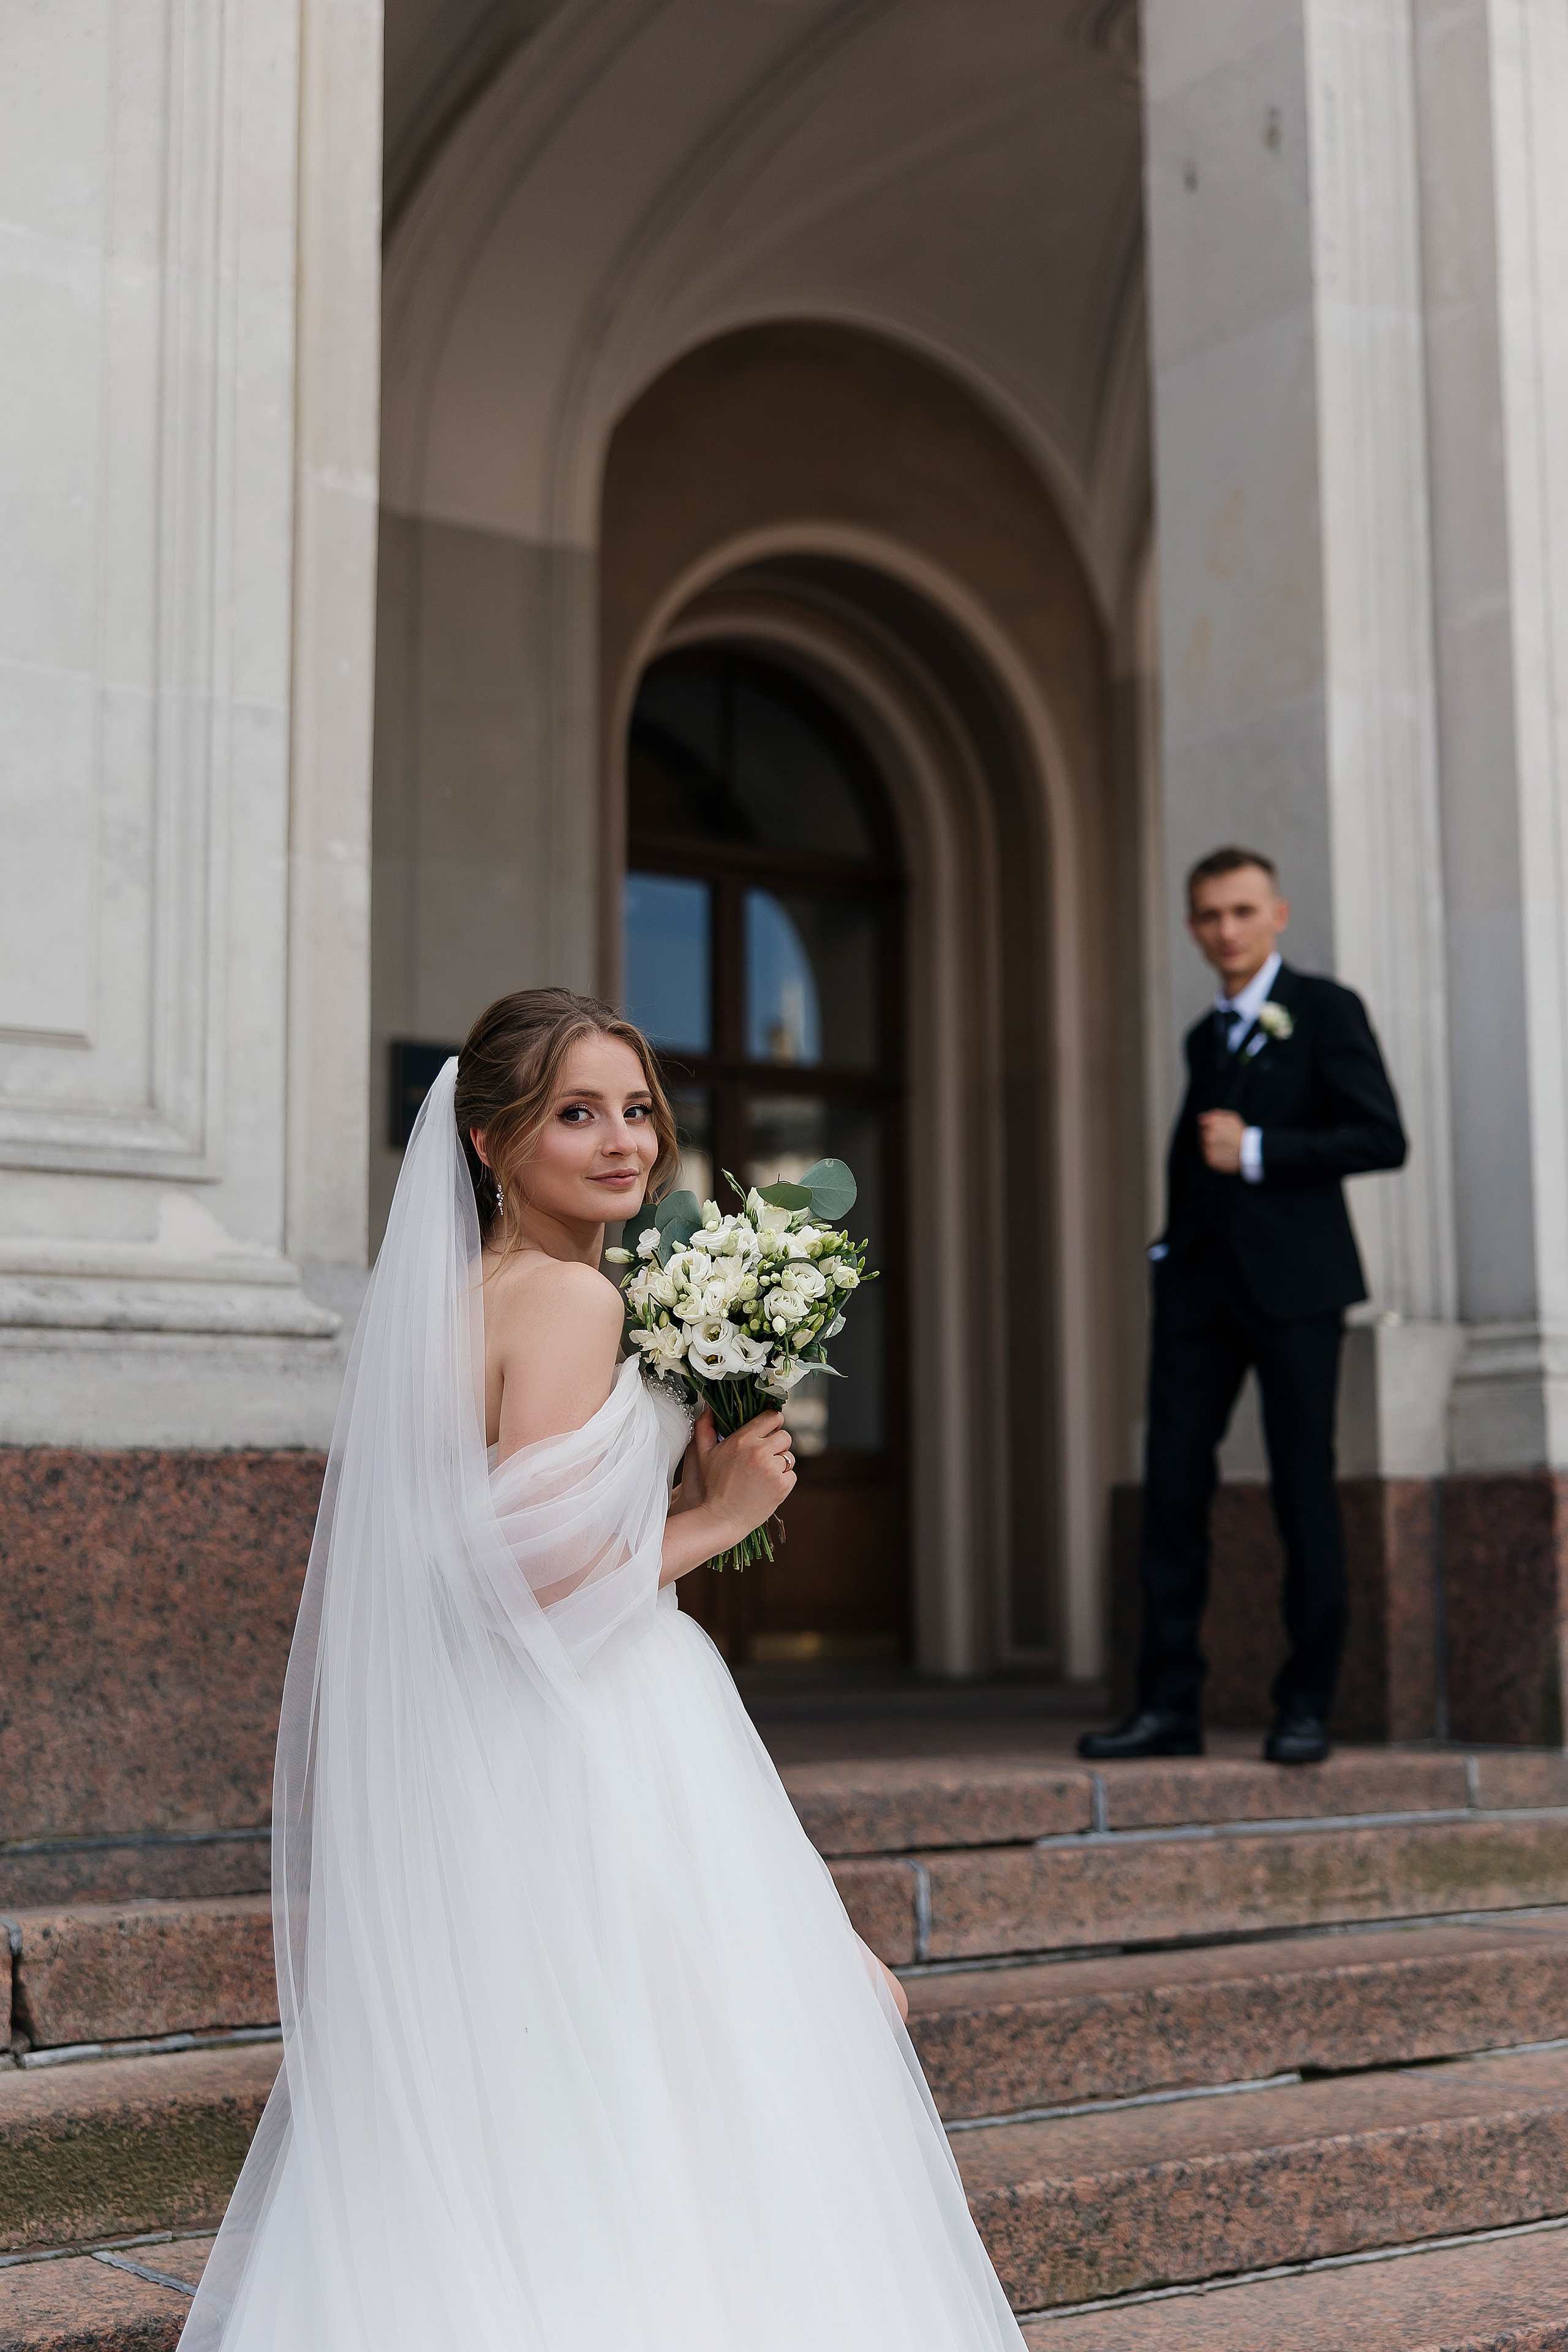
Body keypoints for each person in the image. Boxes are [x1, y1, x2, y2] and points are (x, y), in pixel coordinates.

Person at [182, 987, 1024, 2352]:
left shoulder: (465, 1301)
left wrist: (674, 1474)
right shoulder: (571, 1299)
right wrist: (723, 1515)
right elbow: (534, 1584)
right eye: (576, 1114)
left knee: (549, 2095)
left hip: (493, 1753)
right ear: (488, 1140)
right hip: (596, 1739)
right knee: (726, 2063)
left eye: (635, 1110)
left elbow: (482, 1556)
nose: (623, 1141)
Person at [1080, 849, 1406, 1769]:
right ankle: (1167, 1705)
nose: (1225, 929)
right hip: (1196, 1292)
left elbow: (1382, 1135)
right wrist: (1168, 1251)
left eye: (1241, 911)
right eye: (1209, 916)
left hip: (1298, 1292)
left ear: (1278, 915)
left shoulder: (1326, 1008)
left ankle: (1307, 1705)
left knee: (1305, 1489)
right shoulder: (1203, 1035)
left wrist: (1258, 1147)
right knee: (1173, 1490)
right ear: (1193, 928)